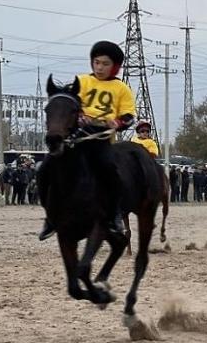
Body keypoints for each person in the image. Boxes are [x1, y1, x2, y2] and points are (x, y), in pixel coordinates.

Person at [39, 40, 136, 241]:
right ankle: (50, 217)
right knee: (44, 169)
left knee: (111, 171)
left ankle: (115, 215)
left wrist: (117, 122)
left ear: (115, 67)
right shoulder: (82, 82)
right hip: (76, 139)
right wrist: (80, 115)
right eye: (97, 62)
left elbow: (129, 116)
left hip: (100, 141)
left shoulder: (121, 89)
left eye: (105, 64)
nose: (99, 67)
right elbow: (68, 103)